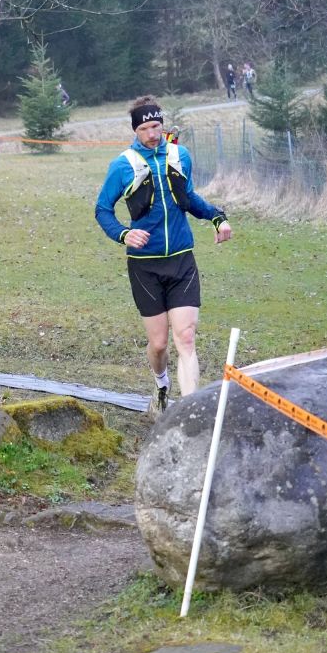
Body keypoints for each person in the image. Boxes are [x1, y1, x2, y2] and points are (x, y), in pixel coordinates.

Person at [95, 96, 232, 415]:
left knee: (186, 338)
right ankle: (161, 385)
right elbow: (102, 209)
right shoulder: (123, 165)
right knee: (158, 345)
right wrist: (124, 234)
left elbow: (188, 197)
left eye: (156, 126)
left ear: (162, 124)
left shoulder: (179, 155)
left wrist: (217, 216)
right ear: (135, 130)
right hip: (145, 267)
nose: (152, 134)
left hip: (182, 259)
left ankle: (188, 413)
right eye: (145, 129)